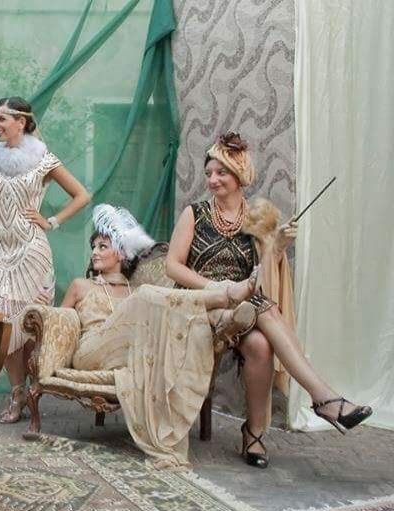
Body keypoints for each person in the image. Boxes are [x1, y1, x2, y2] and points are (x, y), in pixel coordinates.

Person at [165, 133, 371, 467]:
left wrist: (278, 248)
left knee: (260, 345)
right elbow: (173, 266)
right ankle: (323, 397)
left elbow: (263, 278)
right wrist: (216, 287)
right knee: (264, 309)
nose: (213, 179)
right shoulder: (195, 213)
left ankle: (255, 434)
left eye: (221, 172)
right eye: (209, 173)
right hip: (198, 302)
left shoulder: (258, 218)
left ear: (239, 175)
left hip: (244, 307)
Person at [55, 205, 259, 469]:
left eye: (102, 246)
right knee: (147, 297)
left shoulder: (134, 291)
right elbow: (60, 320)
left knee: (164, 313)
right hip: (89, 353)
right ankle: (224, 298)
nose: (94, 252)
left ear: (121, 252)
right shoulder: (81, 286)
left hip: (125, 355)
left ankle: (220, 319)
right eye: (94, 247)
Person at [0, 97, 91, 423]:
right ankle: (17, 392)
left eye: (2, 119)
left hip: (31, 252)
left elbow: (82, 195)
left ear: (21, 122)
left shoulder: (43, 159)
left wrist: (51, 221)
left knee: (28, 324)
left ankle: (30, 391)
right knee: (4, 323)